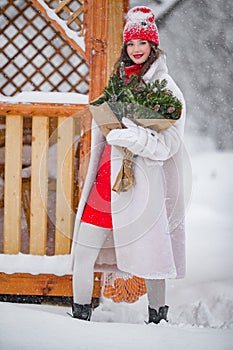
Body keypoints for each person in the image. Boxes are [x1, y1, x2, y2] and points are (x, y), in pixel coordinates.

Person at [71, 6, 186, 324]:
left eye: (142, 43)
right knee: (83, 252)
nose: (136, 49)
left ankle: (157, 320)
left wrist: (128, 137)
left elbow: (167, 146)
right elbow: (107, 131)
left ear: (153, 47)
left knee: (152, 257)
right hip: (106, 182)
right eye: (131, 43)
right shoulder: (117, 82)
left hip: (141, 185)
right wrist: (110, 123)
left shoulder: (169, 91)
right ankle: (78, 320)